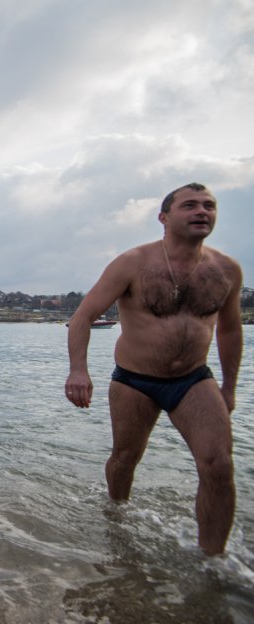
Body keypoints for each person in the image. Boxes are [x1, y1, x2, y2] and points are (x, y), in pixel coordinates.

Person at [65, 183, 243, 556]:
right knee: (125, 458)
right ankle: (116, 515)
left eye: (209, 206)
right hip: (135, 380)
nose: (202, 211)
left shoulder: (226, 269)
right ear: (164, 217)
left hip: (195, 379)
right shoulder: (133, 262)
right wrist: (78, 371)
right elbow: (83, 316)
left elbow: (229, 329)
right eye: (190, 205)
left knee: (219, 464)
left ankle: (212, 558)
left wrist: (229, 387)